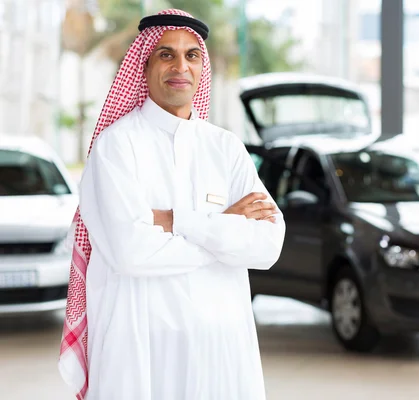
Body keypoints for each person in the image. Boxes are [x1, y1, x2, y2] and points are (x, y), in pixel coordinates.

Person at [58, 9, 285, 400]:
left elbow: (267, 246)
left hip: (222, 348)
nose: (180, 65)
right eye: (166, 54)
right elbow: (131, 253)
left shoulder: (225, 147)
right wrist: (225, 227)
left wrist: (174, 221)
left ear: (202, 67)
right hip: (141, 350)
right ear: (144, 67)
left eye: (191, 55)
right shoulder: (116, 146)